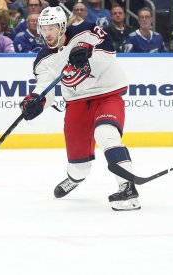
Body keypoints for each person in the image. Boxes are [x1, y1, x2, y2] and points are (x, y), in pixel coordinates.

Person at [20, 6, 141, 211]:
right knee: (79, 168)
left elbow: (109, 52)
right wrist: (34, 102)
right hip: (76, 103)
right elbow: (44, 89)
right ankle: (74, 179)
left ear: (62, 26)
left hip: (106, 94)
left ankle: (127, 188)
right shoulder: (43, 59)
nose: (47, 33)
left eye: (52, 28)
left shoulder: (86, 31)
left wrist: (88, 53)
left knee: (106, 133)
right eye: (44, 28)